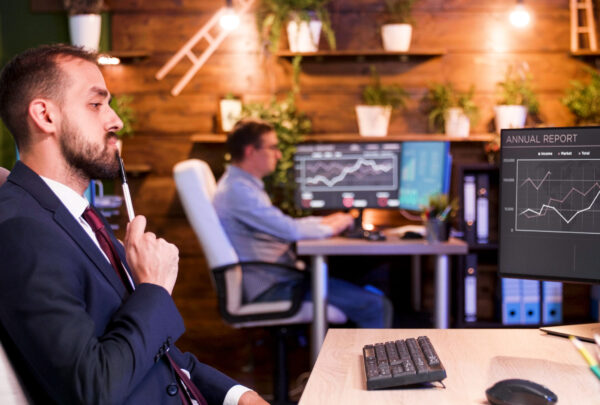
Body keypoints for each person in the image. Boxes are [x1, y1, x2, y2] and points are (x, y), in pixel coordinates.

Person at [0, 44, 267, 405]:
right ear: (45, 116)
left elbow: (157, 354)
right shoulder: (23, 231)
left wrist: (239, 396)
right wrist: (154, 288)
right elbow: (93, 388)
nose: (115, 121)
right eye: (96, 105)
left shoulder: (80, 219)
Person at [213, 119, 393, 328]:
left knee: (365, 280)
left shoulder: (240, 185)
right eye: (273, 147)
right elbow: (290, 230)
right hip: (272, 288)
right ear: (251, 151)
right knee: (376, 306)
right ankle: (381, 361)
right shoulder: (239, 191)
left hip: (276, 280)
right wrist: (334, 225)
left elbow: (283, 224)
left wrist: (328, 220)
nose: (278, 154)